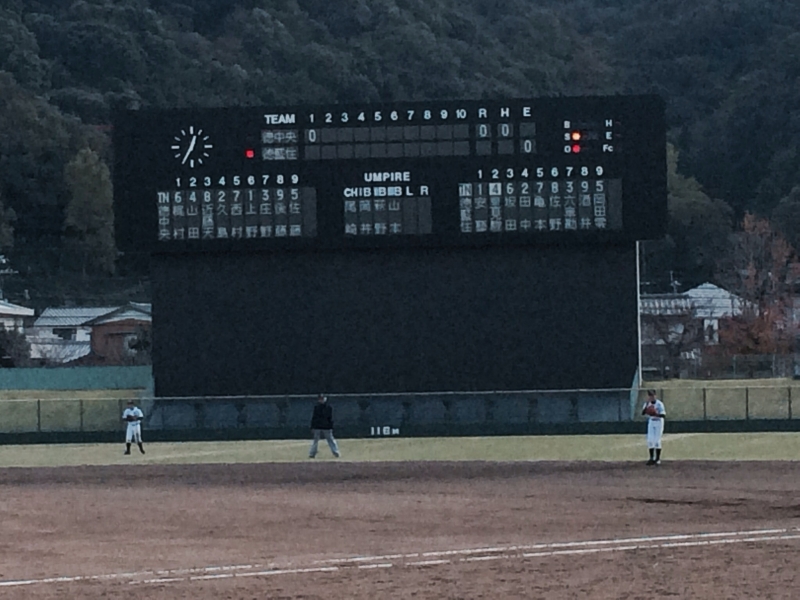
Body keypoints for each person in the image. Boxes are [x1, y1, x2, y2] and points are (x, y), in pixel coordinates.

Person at [309, 394, 340, 458]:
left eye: (322, 398)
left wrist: (331, 426)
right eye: (320, 399)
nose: (321, 400)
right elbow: (314, 418)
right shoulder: (316, 407)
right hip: (317, 427)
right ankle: (312, 453)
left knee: (330, 439)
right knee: (315, 440)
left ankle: (336, 452)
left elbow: (330, 418)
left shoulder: (328, 407)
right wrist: (313, 427)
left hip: (327, 427)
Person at [641, 389, 665, 465]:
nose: (651, 397)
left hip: (659, 422)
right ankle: (651, 458)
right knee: (650, 440)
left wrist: (655, 413)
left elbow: (663, 415)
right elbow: (643, 413)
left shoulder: (659, 404)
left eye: (652, 395)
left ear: (655, 395)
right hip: (651, 422)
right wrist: (647, 407)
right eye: (650, 395)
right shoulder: (647, 403)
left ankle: (657, 459)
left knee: (657, 441)